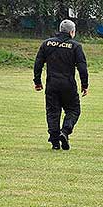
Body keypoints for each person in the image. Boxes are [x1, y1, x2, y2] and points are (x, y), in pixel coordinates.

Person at [33, 19, 89, 150]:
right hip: (68, 85)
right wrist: (84, 85)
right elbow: (82, 67)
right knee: (74, 110)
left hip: (51, 84)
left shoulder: (46, 44)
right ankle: (65, 131)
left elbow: (38, 63)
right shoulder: (75, 46)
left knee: (53, 112)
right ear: (72, 32)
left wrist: (37, 81)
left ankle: (54, 142)